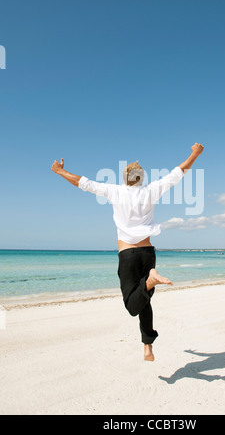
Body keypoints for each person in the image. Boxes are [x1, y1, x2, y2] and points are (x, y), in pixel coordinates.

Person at [51, 143, 204, 361]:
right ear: (141, 178)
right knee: (144, 301)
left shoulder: (115, 191)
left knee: (132, 306)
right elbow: (177, 173)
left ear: (126, 178)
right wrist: (194, 154)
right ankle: (148, 345)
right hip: (148, 253)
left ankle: (151, 280)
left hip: (129, 255)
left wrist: (60, 171)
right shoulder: (151, 190)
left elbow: (83, 183)